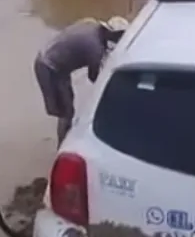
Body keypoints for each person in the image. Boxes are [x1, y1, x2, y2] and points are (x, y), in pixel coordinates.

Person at [33, 16, 129, 144]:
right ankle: (62, 147)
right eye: (119, 37)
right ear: (112, 34)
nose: (119, 40)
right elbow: (94, 77)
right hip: (49, 68)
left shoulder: (89, 22)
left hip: (49, 58)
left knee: (68, 103)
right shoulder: (94, 48)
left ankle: (65, 139)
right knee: (66, 112)